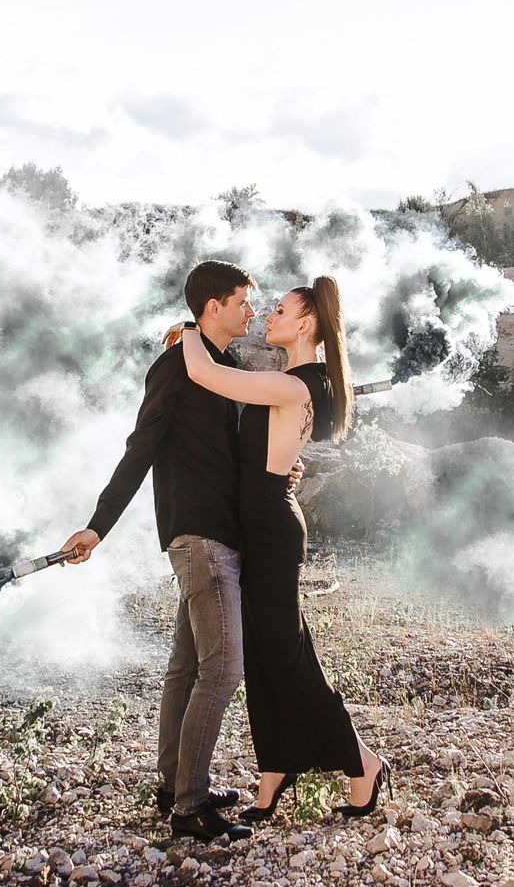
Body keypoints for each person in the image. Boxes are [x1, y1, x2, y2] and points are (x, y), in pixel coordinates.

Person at [58, 260, 305, 842]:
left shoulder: (223, 369)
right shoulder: (175, 367)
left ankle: (174, 785)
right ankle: (190, 807)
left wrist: (281, 472)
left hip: (222, 535)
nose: (251, 312)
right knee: (223, 670)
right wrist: (97, 526)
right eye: (243, 302)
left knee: (187, 668)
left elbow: (242, 455)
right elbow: (140, 447)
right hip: (199, 536)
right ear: (213, 307)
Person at [180, 275, 392, 822]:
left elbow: (206, 374)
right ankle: (274, 771)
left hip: (271, 530)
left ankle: (363, 762)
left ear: (306, 323)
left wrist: (187, 329)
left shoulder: (297, 384)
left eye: (279, 310)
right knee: (266, 653)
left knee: (287, 655)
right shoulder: (295, 380)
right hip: (263, 522)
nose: (268, 316)